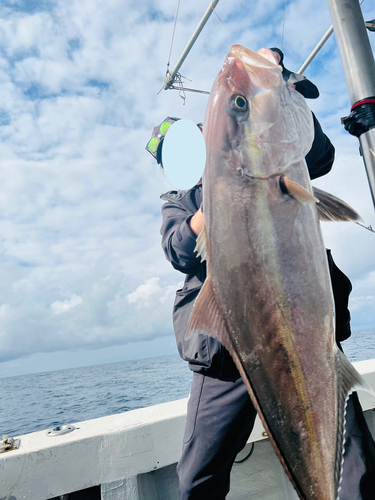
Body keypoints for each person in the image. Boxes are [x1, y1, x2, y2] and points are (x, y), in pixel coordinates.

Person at [147, 50, 375, 500]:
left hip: (305, 329)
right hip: (223, 354)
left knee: (358, 468)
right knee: (198, 477)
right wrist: (224, 192)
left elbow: (320, 155)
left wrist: (286, 98)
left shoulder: (270, 152)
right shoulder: (181, 201)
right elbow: (178, 249)